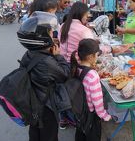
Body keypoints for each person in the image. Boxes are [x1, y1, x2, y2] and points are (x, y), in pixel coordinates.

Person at [17, 11, 71, 141]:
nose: (54, 34)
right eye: (51, 33)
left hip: (33, 102)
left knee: (35, 133)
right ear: (42, 38)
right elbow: (65, 74)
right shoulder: (46, 61)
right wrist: (58, 56)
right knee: (49, 135)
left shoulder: (30, 53)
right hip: (46, 107)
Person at [71, 39, 111, 141]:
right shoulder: (92, 75)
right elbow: (97, 100)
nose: (97, 58)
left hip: (80, 112)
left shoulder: (76, 67)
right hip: (90, 115)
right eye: (97, 55)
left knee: (80, 135)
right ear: (90, 57)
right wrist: (105, 115)